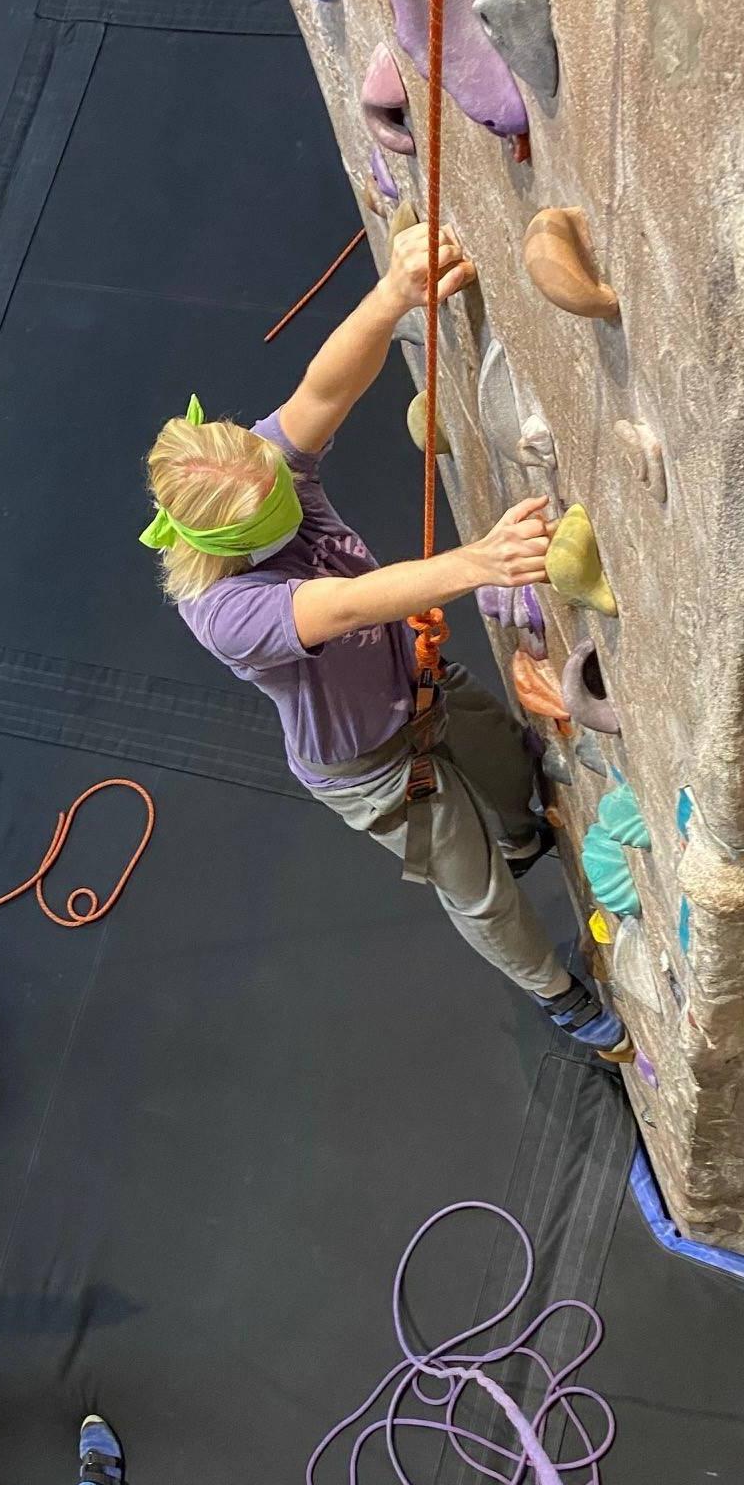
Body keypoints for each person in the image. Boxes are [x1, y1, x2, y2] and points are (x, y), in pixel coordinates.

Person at [141, 221, 624, 1051]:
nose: (289, 484)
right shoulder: (225, 611)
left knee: (513, 777)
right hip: (374, 764)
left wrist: (391, 295)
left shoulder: (253, 475)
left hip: (421, 685)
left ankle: (515, 835)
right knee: (478, 894)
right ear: (226, 540)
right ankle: (561, 998)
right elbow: (350, 605)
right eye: (273, 506)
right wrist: (478, 562)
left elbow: (321, 396)